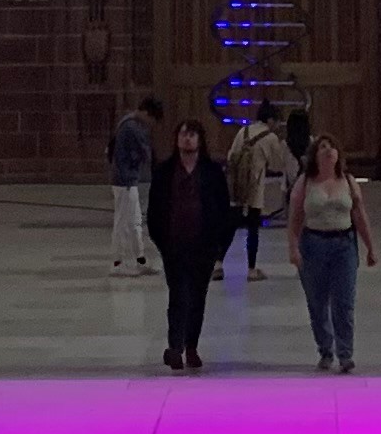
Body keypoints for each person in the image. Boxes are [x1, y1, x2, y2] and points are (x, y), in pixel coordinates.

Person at [146, 116, 237, 369]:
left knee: (198, 297)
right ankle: (174, 346)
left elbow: (223, 209)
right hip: (174, 246)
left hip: (203, 246)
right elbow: (154, 211)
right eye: (183, 134)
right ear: (176, 139)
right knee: (178, 295)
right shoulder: (164, 172)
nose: (187, 138)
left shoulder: (211, 172)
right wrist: (162, 241)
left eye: (192, 134)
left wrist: (219, 247)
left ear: (199, 140)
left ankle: (191, 345)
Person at [286, 135, 375, 373]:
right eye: (322, 147)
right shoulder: (305, 182)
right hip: (313, 245)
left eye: (332, 147)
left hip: (343, 245)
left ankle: (345, 353)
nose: (328, 151)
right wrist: (293, 248)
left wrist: (370, 247)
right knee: (317, 302)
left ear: (338, 154)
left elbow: (359, 215)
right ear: (315, 155)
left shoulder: (348, 181)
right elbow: (295, 219)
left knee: (343, 302)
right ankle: (325, 349)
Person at [223, 106, 291, 279]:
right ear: (270, 120)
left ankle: (217, 263)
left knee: (230, 225)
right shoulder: (270, 137)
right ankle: (251, 268)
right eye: (276, 121)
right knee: (253, 228)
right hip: (254, 188)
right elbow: (277, 164)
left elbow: (231, 155)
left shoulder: (243, 131)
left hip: (236, 186)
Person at [108, 95, 161, 274]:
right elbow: (145, 151)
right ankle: (117, 263)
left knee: (135, 222)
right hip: (124, 181)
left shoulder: (129, 123)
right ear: (146, 113)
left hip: (129, 179)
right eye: (152, 119)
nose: (152, 124)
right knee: (123, 222)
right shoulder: (131, 127)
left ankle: (140, 260)